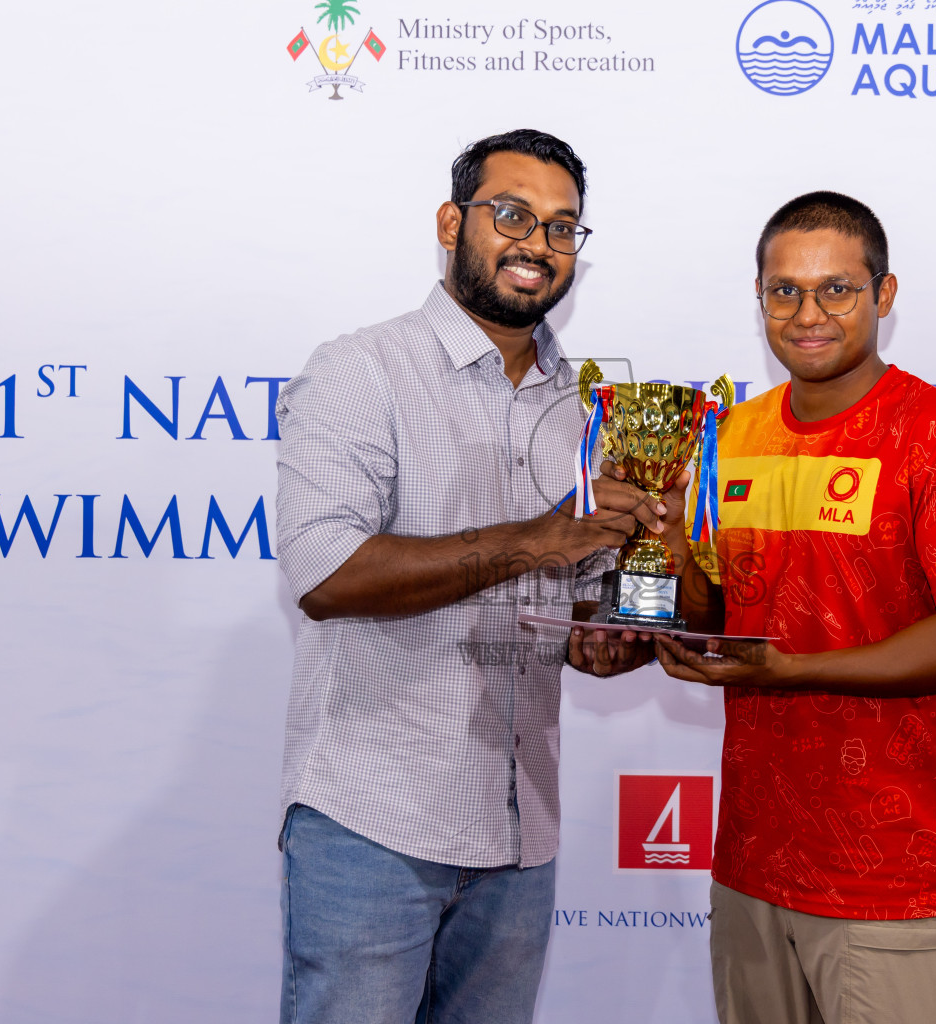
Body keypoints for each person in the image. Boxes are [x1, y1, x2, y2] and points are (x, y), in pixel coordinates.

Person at [273, 128, 672, 1024]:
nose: (539, 243)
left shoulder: (588, 406)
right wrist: (538, 540)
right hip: (373, 826)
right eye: (512, 215)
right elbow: (325, 574)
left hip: (522, 834)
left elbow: (577, 591)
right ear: (452, 223)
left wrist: (604, 637)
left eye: (563, 227)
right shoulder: (361, 370)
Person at [653, 191, 936, 1024]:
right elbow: (716, 620)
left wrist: (789, 671)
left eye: (836, 289)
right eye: (784, 291)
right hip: (752, 863)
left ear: (883, 295)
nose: (807, 314)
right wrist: (670, 555)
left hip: (891, 877)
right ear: (759, 298)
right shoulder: (728, 437)